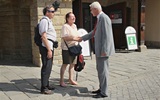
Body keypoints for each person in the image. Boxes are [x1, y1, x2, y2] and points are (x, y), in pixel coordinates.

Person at [75, 1, 115, 98]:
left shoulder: (104, 18)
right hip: (99, 50)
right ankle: (101, 88)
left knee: (103, 71)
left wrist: (104, 51)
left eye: (91, 10)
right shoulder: (99, 18)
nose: (91, 12)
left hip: (103, 51)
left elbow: (107, 36)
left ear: (96, 9)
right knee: (100, 70)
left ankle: (104, 92)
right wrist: (82, 38)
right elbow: (94, 32)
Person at [38, 5, 57, 94]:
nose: (54, 13)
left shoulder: (48, 21)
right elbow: (44, 36)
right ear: (47, 12)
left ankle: (47, 84)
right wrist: (49, 50)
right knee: (46, 66)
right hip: (46, 47)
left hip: (49, 46)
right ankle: (44, 88)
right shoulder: (44, 21)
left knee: (49, 66)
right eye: (52, 11)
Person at [60, 12, 79, 87]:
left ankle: (71, 79)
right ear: (67, 19)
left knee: (72, 64)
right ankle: (61, 81)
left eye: (74, 16)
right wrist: (74, 38)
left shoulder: (74, 26)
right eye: (72, 17)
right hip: (67, 48)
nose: (74, 18)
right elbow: (65, 37)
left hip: (74, 47)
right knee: (65, 64)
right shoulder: (65, 26)